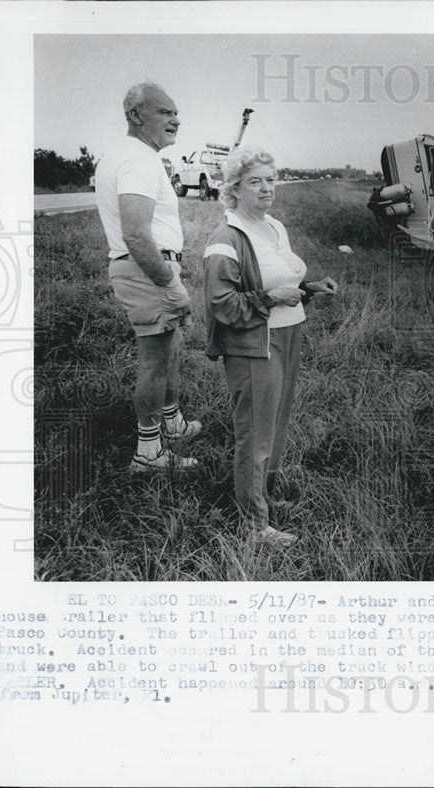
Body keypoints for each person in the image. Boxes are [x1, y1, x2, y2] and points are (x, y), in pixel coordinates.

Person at [203, 146, 338, 545]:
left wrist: (307, 289)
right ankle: (253, 525)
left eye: (271, 179)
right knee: (256, 433)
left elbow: (281, 282)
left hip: (289, 333)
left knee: (276, 427)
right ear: (233, 188)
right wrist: (274, 299)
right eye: (255, 182)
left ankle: (263, 500)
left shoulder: (275, 226)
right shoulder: (226, 237)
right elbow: (220, 303)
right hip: (253, 344)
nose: (266, 189)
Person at [95, 82, 201, 473]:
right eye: (165, 111)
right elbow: (136, 233)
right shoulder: (138, 158)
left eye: (176, 113)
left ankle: (170, 423)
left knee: (171, 347)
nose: (175, 119)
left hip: (148, 269)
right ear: (136, 115)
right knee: (155, 360)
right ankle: (149, 453)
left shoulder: (132, 155)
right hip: (146, 271)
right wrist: (169, 283)